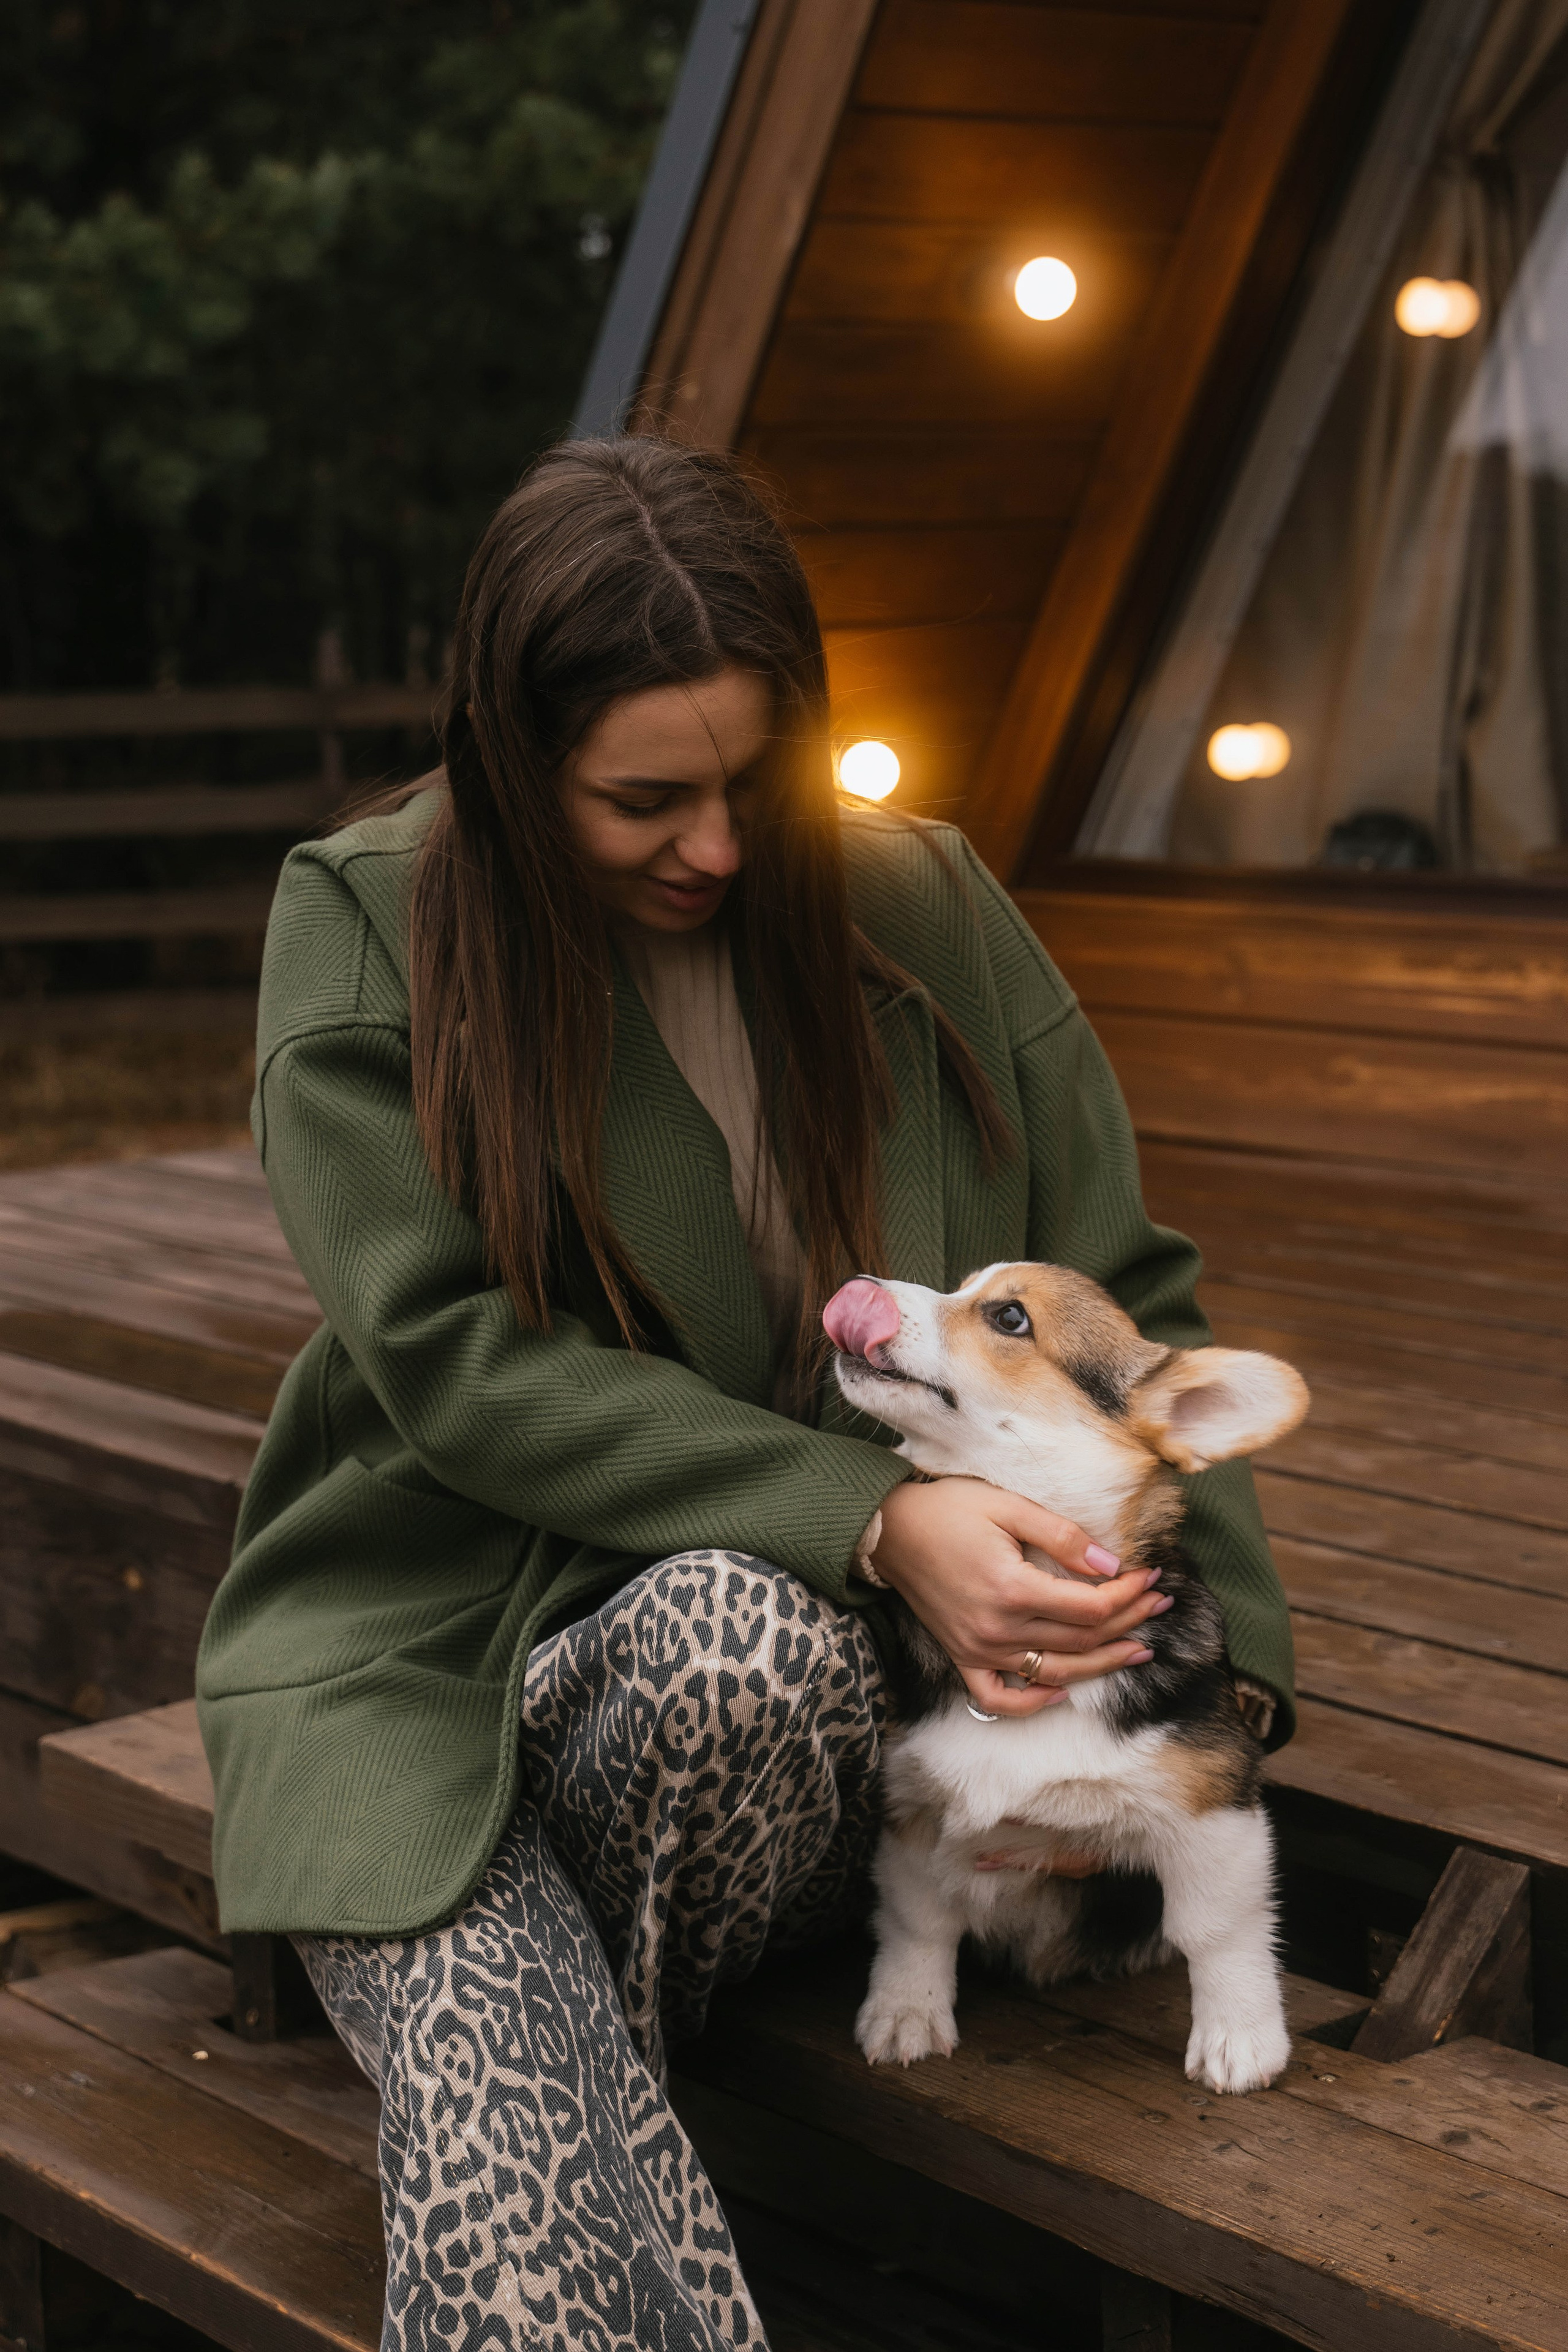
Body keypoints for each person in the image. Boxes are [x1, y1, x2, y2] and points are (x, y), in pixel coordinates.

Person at [195, 436, 1292, 2352]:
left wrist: (1220, 1684)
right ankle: (515, 2035)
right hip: (440, 1653)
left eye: (753, 782)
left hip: (811, 1726)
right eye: (644, 798)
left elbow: (1145, 1298)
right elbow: (453, 1362)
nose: (715, 845)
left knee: (743, 1640)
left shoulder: (925, 903)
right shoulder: (367, 920)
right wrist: (873, 1519)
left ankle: (538, 2025)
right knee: (534, 2240)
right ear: (504, 754)